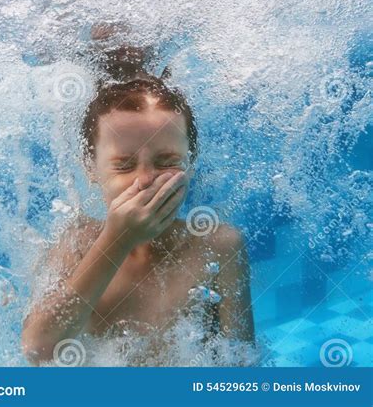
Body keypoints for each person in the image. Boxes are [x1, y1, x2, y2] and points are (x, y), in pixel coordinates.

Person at [21, 25, 255, 366]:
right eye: (124, 165)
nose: (145, 179)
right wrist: (119, 237)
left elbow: (242, 368)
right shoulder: (75, 244)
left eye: (167, 161)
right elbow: (37, 351)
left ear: (191, 162)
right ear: (91, 168)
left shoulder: (218, 247)